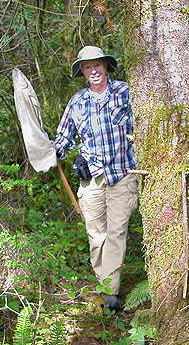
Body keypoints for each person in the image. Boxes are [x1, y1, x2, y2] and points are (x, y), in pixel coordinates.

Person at [54, 46, 138, 312]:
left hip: (123, 174)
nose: (93, 71)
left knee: (116, 231)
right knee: (96, 235)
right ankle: (106, 286)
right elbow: (63, 139)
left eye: (97, 65)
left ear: (105, 66)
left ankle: (109, 294)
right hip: (91, 179)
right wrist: (56, 152)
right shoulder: (77, 102)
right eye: (87, 67)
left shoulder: (125, 92)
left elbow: (145, 124)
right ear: (82, 71)